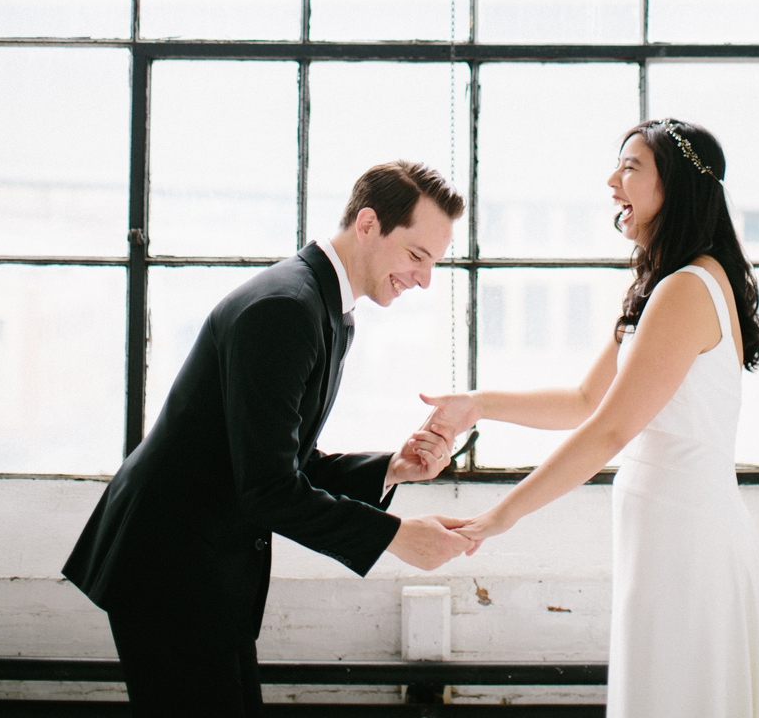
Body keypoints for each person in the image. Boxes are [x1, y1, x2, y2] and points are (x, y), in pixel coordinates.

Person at [63, 160, 475, 718]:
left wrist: (391, 469)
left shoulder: (325, 308)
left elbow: (279, 461)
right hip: (169, 565)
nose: (424, 279)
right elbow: (268, 488)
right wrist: (395, 535)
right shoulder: (287, 309)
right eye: (417, 256)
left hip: (204, 563)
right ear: (369, 224)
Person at [417, 120, 759, 718]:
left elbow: (610, 429)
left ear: (678, 186)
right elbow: (585, 401)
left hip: (690, 543)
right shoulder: (669, 285)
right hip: (669, 539)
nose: (613, 181)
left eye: (631, 167)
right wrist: (479, 405)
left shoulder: (687, 288)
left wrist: (501, 514)